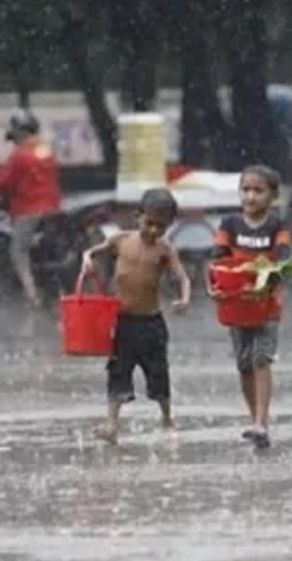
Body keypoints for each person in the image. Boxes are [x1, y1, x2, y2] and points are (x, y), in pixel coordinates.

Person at [80, 188, 192, 444]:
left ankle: (166, 419)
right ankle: (111, 423)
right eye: (150, 224)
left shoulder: (165, 250)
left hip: (151, 322)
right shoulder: (120, 240)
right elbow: (92, 252)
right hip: (123, 322)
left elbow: (182, 277)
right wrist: (87, 258)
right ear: (137, 216)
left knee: (158, 373)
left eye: (161, 227)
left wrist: (184, 299)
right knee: (118, 370)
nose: (154, 231)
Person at [208, 164, 291, 449]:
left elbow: (282, 262)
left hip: (267, 302)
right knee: (243, 364)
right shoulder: (229, 225)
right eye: (246, 189)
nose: (251, 196)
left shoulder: (277, 227)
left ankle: (262, 423)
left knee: (260, 358)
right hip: (237, 304)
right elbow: (218, 261)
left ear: (273, 196)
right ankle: (253, 418)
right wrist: (215, 287)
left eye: (258, 190)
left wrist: (265, 285)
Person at [0, 109, 63, 309]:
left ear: (21, 132)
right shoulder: (45, 151)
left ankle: (32, 296)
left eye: (15, 135)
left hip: (30, 211)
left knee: (18, 251)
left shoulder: (20, 156)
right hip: (52, 209)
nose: (14, 140)